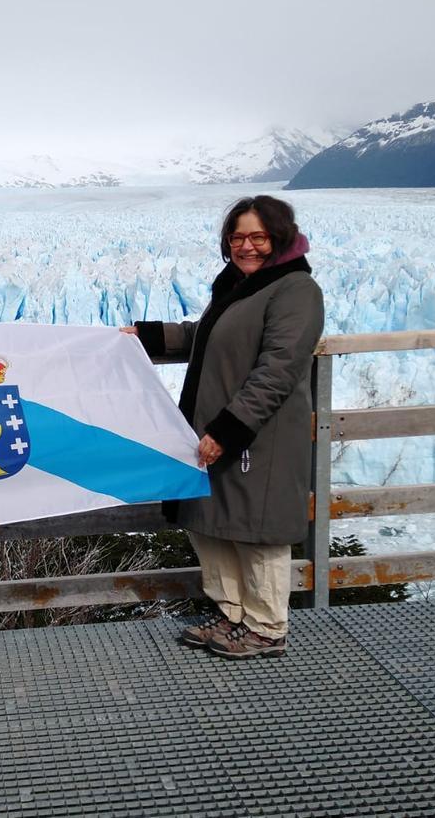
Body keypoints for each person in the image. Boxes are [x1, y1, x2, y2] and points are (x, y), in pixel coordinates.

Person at [125, 195, 324, 658]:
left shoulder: (295, 290)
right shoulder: (239, 286)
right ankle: (231, 614)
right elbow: (205, 335)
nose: (247, 246)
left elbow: (278, 369)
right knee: (212, 523)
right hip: (214, 429)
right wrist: (151, 336)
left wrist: (229, 430)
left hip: (258, 436)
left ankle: (266, 627)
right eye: (238, 237)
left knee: (257, 530)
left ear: (280, 237)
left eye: (258, 236)